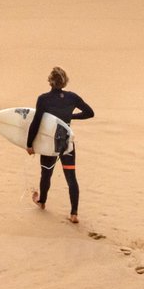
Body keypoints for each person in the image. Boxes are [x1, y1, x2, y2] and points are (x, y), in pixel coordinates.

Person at [25, 66, 94, 224]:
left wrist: (29, 144)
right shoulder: (73, 98)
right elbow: (90, 113)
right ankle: (74, 213)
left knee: (46, 173)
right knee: (71, 178)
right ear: (65, 81)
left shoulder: (43, 99)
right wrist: (70, 117)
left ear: (50, 81)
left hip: (50, 143)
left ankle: (42, 201)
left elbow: (36, 123)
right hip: (66, 142)